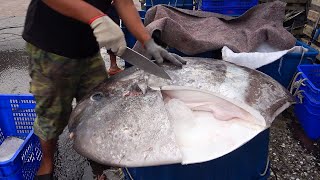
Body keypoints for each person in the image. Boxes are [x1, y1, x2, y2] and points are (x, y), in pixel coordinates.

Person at [22, 0, 186, 179]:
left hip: (89, 47)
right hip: (51, 46)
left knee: (103, 108)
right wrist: (97, 17)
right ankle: (47, 161)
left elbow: (124, 3)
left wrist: (148, 42)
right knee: (52, 114)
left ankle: (100, 163)